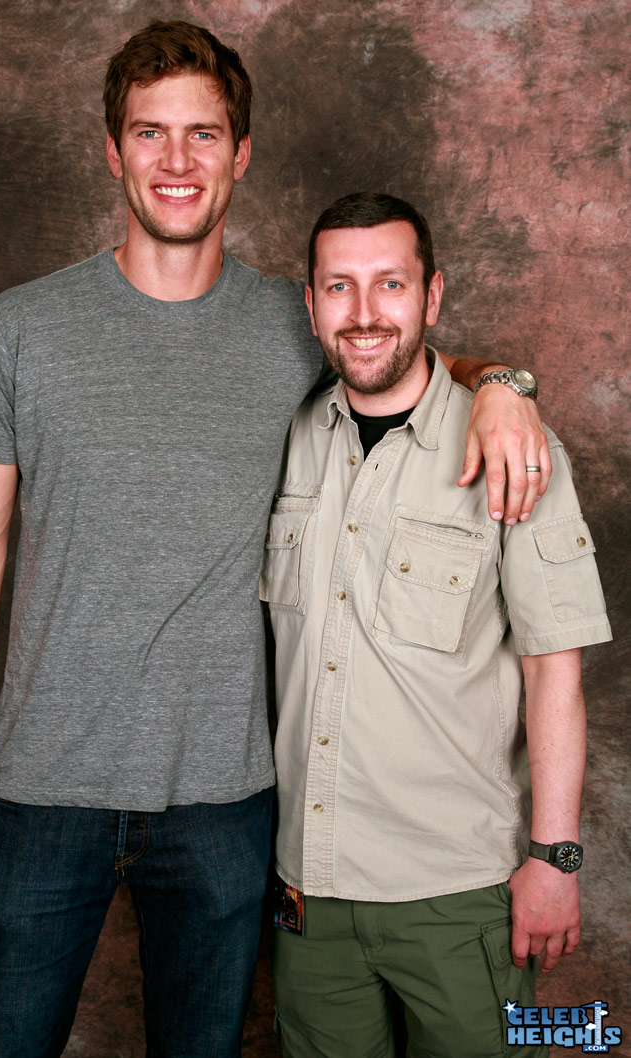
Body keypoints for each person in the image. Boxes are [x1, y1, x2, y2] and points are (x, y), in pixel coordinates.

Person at [0, 21, 552, 1058]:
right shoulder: (22, 328)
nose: (175, 162)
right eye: (148, 134)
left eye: (201, 135)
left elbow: (400, 350)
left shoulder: (288, 326)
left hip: (224, 800)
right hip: (40, 791)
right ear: (111, 151)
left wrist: (504, 388)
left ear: (239, 154)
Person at [265, 191, 612, 1058]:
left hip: (461, 898)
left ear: (433, 295)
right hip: (310, 898)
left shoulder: (513, 446)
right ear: (309, 305)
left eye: (391, 284)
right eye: (339, 288)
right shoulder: (290, 435)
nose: (365, 313)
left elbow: (553, 673)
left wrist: (556, 858)